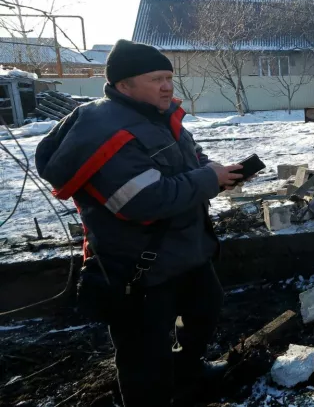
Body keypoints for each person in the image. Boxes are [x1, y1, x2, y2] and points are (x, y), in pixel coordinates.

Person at [35, 40, 245, 406]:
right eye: (155, 78)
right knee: (144, 356)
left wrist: (217, 172)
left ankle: (187, 373)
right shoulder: (104, 131)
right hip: (138, 267)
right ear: (123, 85)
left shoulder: (159, 115)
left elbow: (190, 161)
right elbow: (143, 201)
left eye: (168, 77)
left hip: (185, 252)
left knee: (206, 307)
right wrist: (208, 180)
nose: (167, 86)